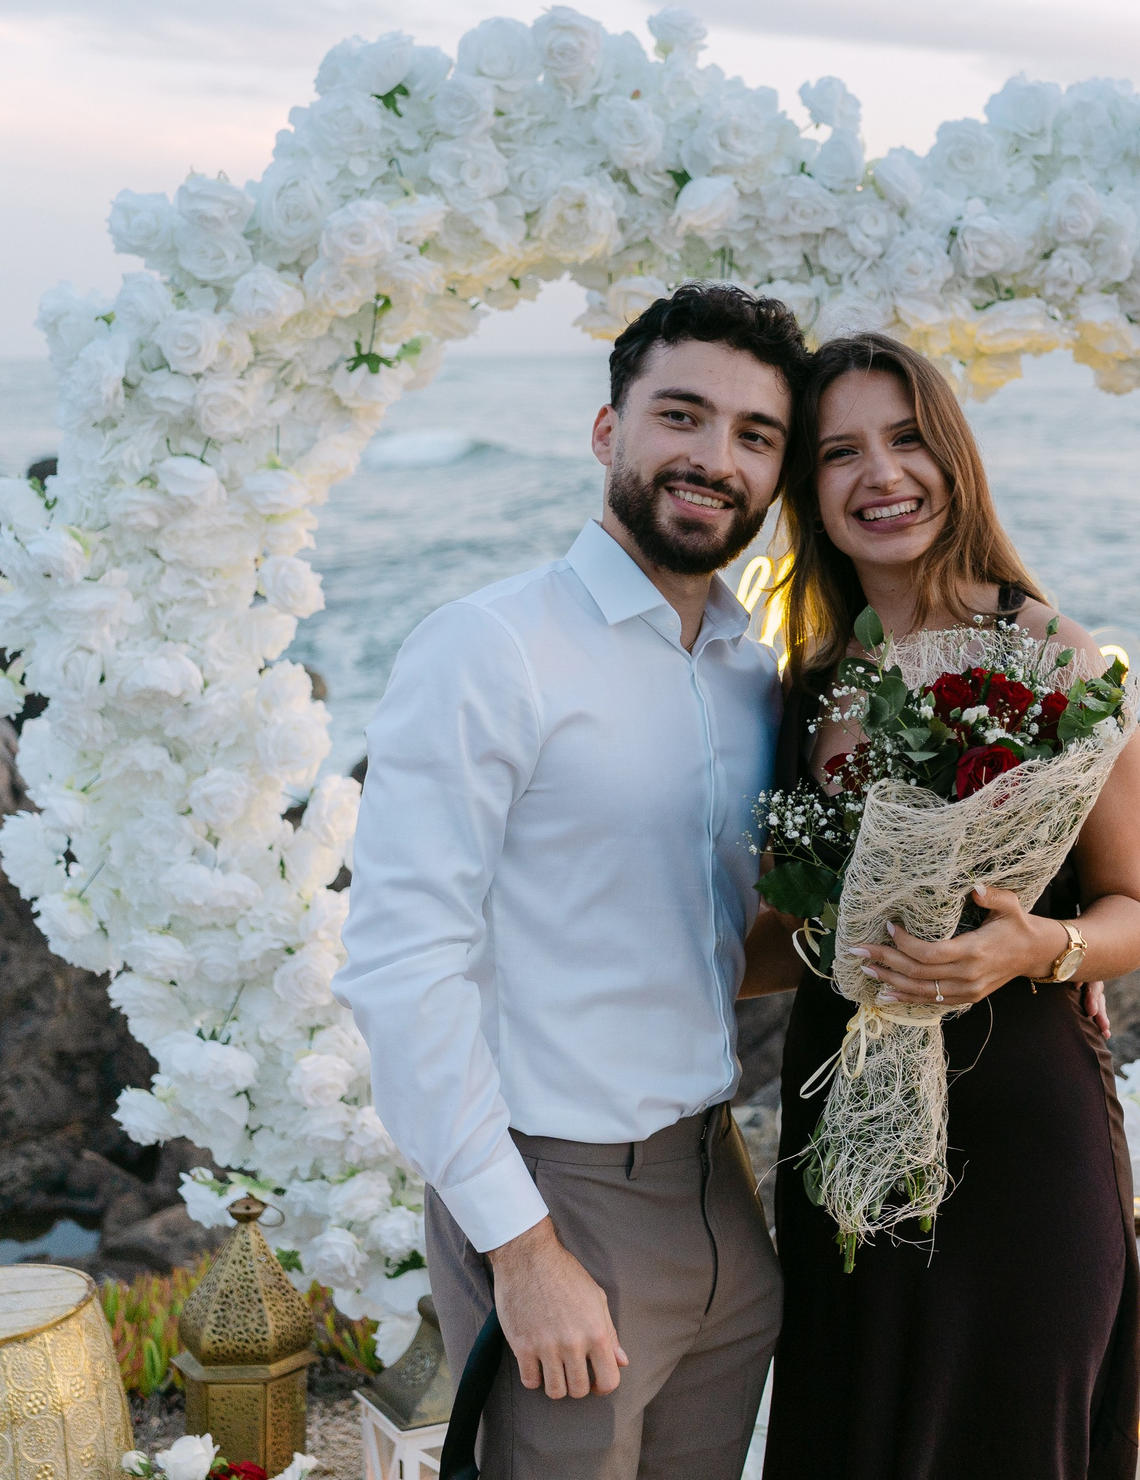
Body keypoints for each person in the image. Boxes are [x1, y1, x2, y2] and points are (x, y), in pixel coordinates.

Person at [335, 283, 807, 1480]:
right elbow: (402, 966)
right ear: (609, 432)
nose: (714, 458)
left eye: (755, 436)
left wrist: (1024, 947)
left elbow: (712, 933)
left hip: (720, 1183)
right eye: (682, 416)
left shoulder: (750, 675)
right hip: (561, 1197)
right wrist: (521, 1248)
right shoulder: (490, 648)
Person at [743, 333, 1140, 1480]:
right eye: (839, 452)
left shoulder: (1058, 659)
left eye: (908, 437)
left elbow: (1133, 914)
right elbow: (778, 944)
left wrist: (1035, 948)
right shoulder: (805, 685)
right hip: (845, 1140)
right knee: (851, 1436)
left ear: (954, 459)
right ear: (808, 492)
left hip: (1021, 1142)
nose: (881, 473)